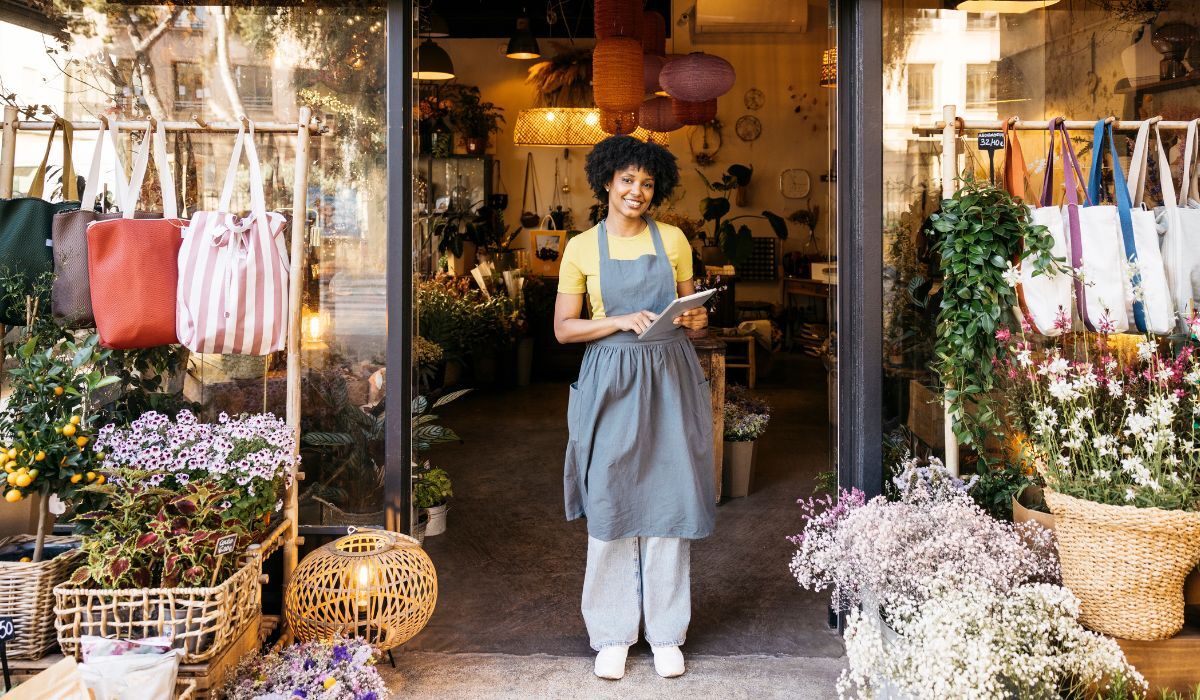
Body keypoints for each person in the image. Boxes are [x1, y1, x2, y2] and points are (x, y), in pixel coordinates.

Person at [554, 135, 715, 681]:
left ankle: (668, 634)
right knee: (611, 503)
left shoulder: (672, 239)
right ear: (606, 181)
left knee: (669, 504)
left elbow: (693, 314)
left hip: (669, 376)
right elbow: (563, 328)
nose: (636, 191)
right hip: (611, 382)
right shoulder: (579, 247)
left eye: (647, 183)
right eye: (627, 180)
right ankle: (613, 635)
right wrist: (620, 321)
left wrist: (695, 320)